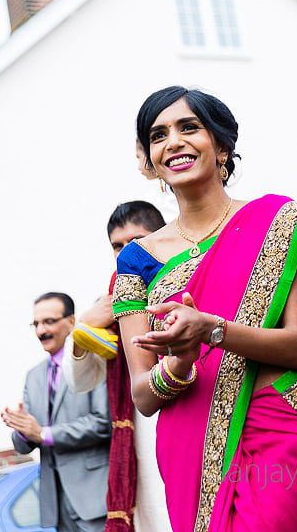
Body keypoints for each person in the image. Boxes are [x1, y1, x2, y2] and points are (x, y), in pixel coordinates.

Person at [113, 86, 297, 531]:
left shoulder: (281, 225)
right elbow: (143, 395)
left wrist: (211, 330)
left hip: (280, 423)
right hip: (190, 439)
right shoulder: (136, 260)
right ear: (150, 160)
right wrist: (180, 363)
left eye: (189, 128)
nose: (174, 142)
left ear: (222, 144)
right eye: (158, 135)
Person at [62, 201, 169, 532]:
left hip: (197, 419)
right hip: (142, 436)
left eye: (137, 240)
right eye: (118, 246)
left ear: (162, 237)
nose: (127, 252)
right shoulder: (109, 303)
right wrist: (83, 329)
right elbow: (80, 381)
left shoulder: (193, 277)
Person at [3, 292, 111, 532]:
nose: (41, 331)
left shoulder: (93, 361)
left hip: (95, 499)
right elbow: (24, 444)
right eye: (36, 324)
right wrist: (21, 429)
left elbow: (103, 423)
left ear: (71, 322)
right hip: (57, 506)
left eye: (49, 321)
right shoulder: (33, 376)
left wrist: (43, 433)